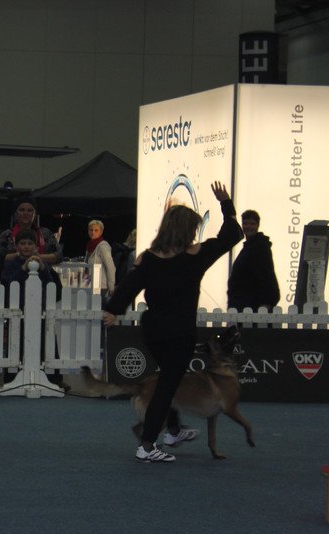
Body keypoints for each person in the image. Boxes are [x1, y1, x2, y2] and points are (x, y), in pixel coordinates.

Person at [102, 181, 243, 463]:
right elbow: (232, 235)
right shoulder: (196, 256)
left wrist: (113, 310)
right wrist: (225, 204)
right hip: (180, 332)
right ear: (185, 231)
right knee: (167, 386)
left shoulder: (148, 259)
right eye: (192, 229)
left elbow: (129, 287)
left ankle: (174, 430)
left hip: (154, 330)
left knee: (170, 378)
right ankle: (147, 445)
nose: (193, 234)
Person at [0, 196, 59, 276]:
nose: (25, 213)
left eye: (30, 210)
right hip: (13, 277)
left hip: (42, 277)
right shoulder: (7, 235)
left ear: (35, 214)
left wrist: (37, 257)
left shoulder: (45, 233)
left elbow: (59, 256)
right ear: (16, 214)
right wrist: (19, 255)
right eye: (22, 210)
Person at [227, 209, 280, 311]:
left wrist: (266, 301)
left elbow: (266, 274)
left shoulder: (260, 247)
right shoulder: (249, 247)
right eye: (245, 223)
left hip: (252, 305)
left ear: (258, 225)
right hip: (244, 304)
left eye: (252, 224)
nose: (248, 226)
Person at [1, 228, 56, 307]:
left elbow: (50, 284)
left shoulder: (41, 264)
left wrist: (42, 267)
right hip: (16, 306)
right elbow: (10, 283)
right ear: (16, 247)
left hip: (38, 305)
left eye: (30, 243)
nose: (26, 247)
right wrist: (24, 267)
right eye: (22, 243)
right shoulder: (11, 263)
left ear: (35, 246)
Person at [85, 219, 116, 298]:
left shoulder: (103, 246)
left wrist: (111, 287)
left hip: (101, 286)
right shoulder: (89, 245)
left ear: (101, 232)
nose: (93, 232)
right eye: (91, 230)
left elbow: (110, 267)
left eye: (96, 230)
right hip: (91, 285)